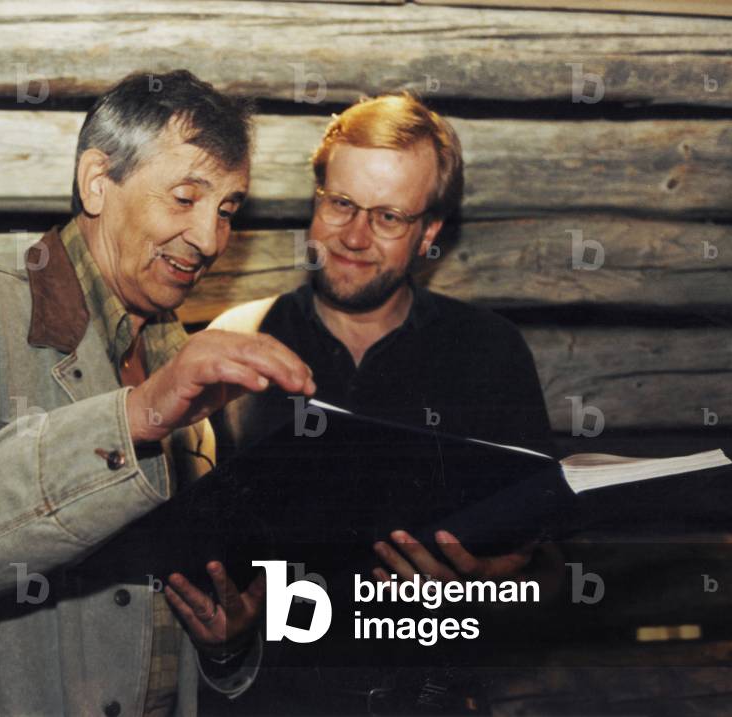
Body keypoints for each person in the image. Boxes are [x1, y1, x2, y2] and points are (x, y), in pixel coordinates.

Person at [0, 70, 315, 717]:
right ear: (97, 181)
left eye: (226, 208)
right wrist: (131, 417)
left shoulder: (179, 364)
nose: (210, 238)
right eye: (185, 197)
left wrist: (224, 644)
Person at [210, 91, 563, 714]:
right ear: (316, 197)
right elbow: (198, 568)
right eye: (341, 203)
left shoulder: (491, 353)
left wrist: (489, 595)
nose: (354, 236)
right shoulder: (238, 345)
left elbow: (544, 574)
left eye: (389, 217)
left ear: (429, 232)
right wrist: (225, 634)